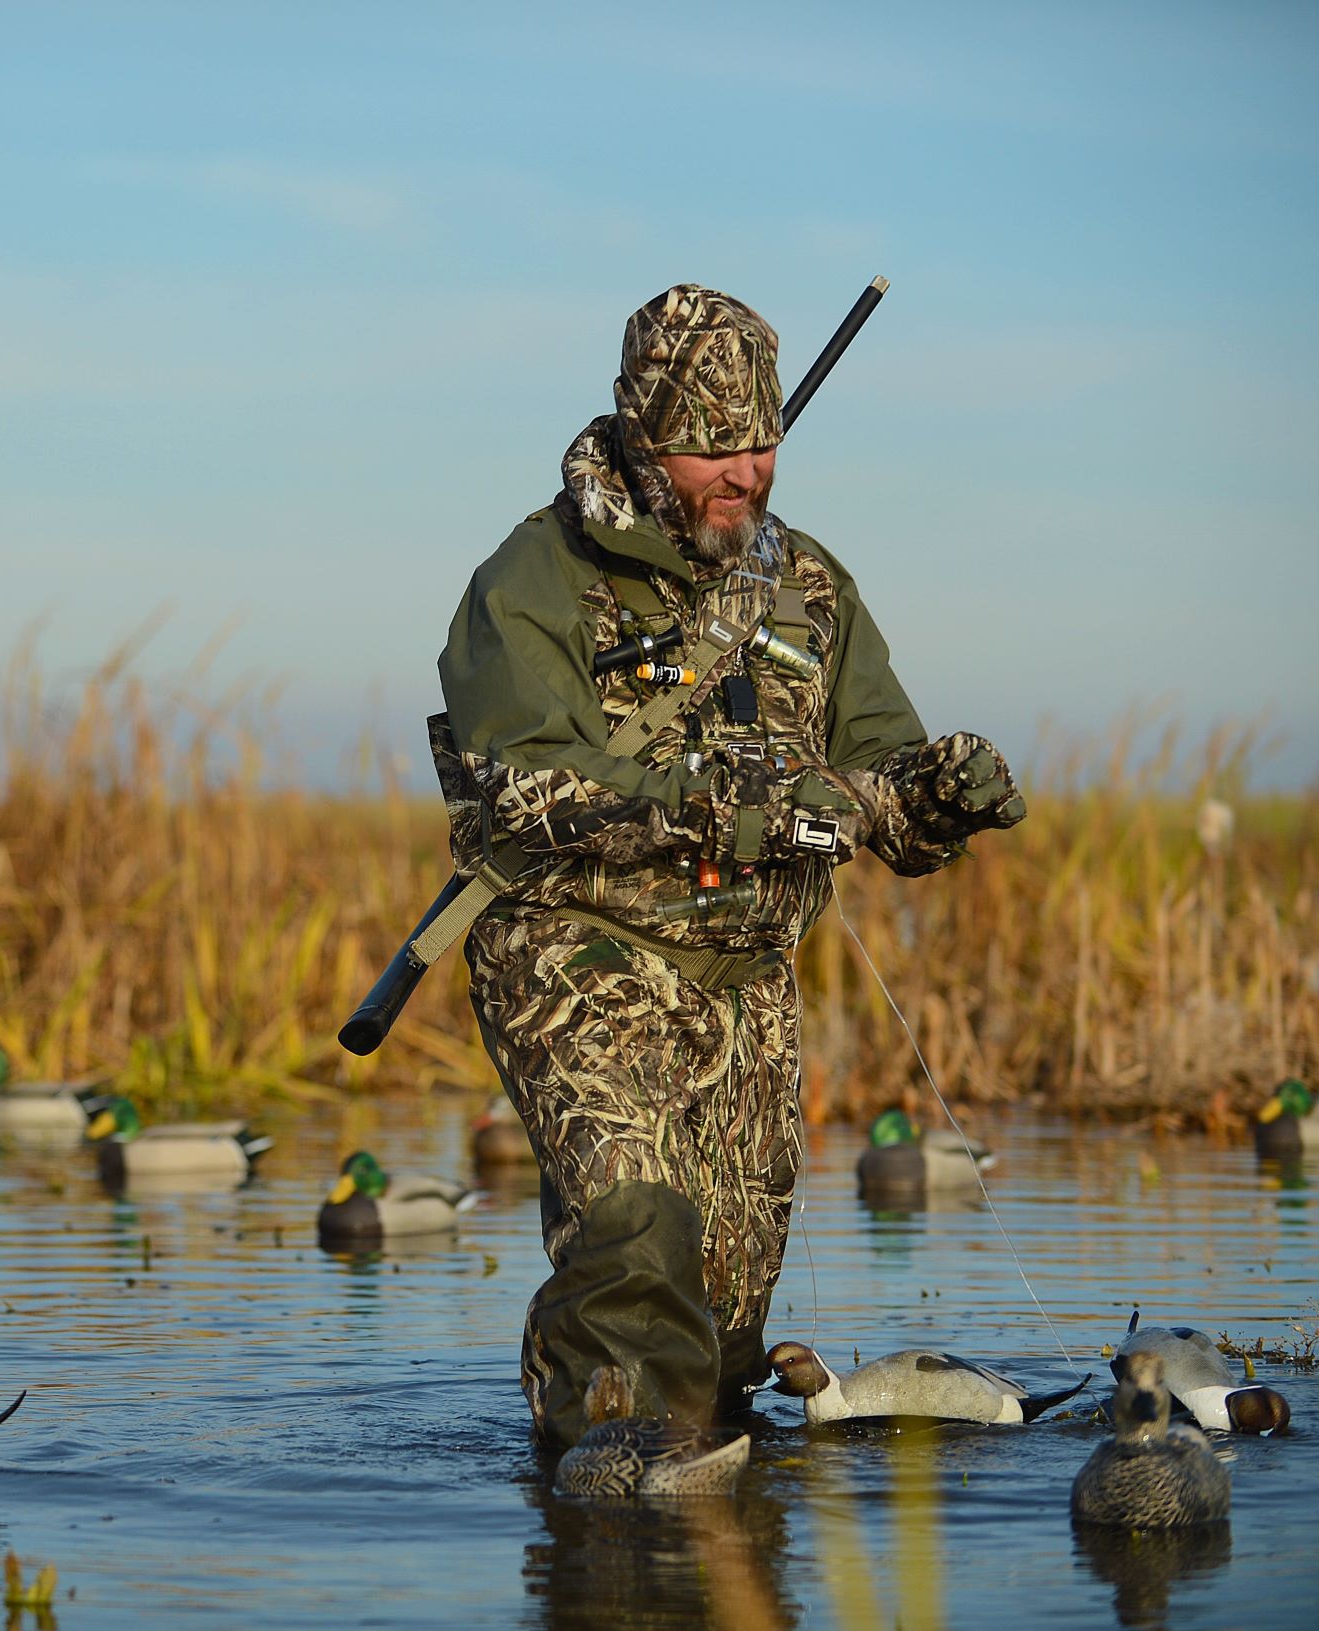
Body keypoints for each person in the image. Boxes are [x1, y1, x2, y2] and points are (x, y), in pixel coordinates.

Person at [435, 285, 1026, 1447]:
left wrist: (935, 797)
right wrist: (728, 803)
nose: (744, 470)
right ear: (640, 434)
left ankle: (701, 1532)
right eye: (710, 445)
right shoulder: (533, 581)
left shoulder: (810, 585)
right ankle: (601, 1508)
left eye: (760, 441)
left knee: (724, 1331)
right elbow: (528, 785)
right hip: (575, 951)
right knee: (633, 1242)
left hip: (748, 977)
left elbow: (873, 786)